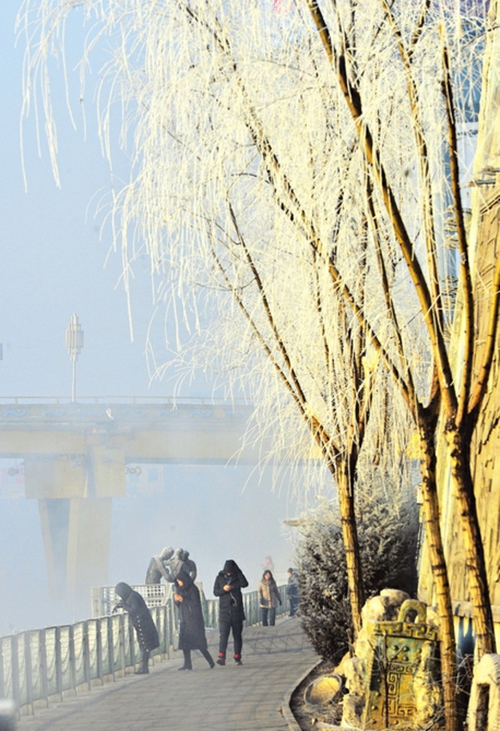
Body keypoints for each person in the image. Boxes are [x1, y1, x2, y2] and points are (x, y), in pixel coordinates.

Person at [113, 582, 159, 674]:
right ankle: (144, 667)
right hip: (142, 624)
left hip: (143, 624)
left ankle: (144, 667)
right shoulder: (132, 595)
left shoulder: (133, 597)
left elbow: (134, 610)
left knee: (144, 645)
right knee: (144, 645)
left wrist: (124, 606)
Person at [173, 570, 214, 670]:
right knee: (185, 644)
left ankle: (210, 661)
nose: (179, 583)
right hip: (184, 619)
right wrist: (177, 601)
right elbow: (180, 606)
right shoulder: (179, 589)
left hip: (194, 620)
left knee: (199, 643)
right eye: (178, 581)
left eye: (180, 581)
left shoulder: (193, 589)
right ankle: (187, 664)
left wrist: (183, 599)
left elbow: (195, 604)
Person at [213, 559, 248, 666]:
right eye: (227, 572)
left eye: (230, 572)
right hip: (224, 612)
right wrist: (224, 589)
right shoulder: (219, 578)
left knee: (237, 635)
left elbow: (245, 584)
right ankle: (221, 656)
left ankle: (237, 657)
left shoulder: (237, 577)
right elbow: (215, 592)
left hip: (236, 611)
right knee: (223, 635)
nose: (228, 573)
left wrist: (239, 572)